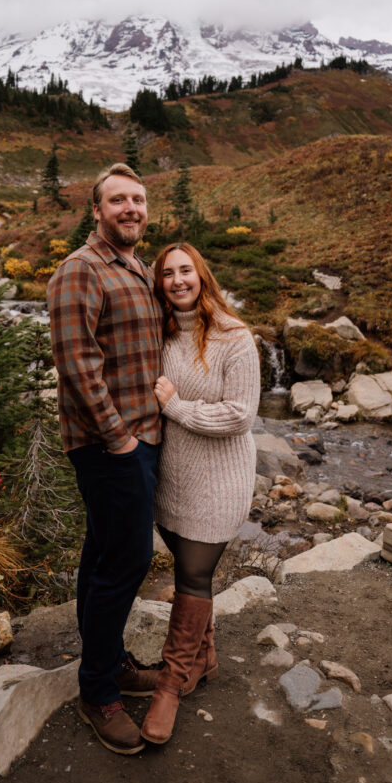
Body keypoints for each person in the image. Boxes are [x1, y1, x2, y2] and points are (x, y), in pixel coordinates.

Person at [48, 163, 164, 756]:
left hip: (140, 436)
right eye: (118, 200)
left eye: (138, 200)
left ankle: (110, 662)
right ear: (97, 211)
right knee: (128, 558)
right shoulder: (80, 270)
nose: (131, 209)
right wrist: (119, 438)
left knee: (102, 553)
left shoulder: (136, 268)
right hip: (109, 443)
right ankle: (97, 691)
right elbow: (76, 361)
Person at [140, 242, 261, 745]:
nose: (177, 280)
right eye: (167, 274)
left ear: (201, 275)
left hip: (220, 481)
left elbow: (240, 416)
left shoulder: (236, 338)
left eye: (185, 271)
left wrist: (176, 408)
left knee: (193, 575)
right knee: (186, 564)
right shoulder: (162, 332)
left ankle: (171, 682)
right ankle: (204, 657)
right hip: (172, 478)